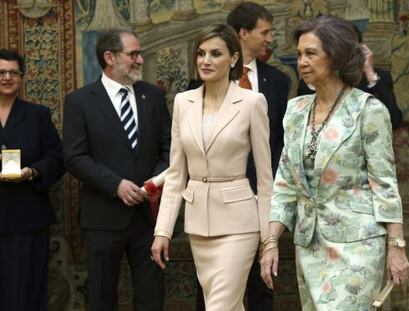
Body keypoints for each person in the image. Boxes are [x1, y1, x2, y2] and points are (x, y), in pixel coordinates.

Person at [260, 15, 409, 310]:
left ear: (337, 55)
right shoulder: (295, 111)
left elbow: (385, 183)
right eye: (300, 53)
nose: (301, 61)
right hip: (309, 244)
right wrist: (271, 241)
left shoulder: (368, 110)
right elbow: (285, 182)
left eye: (311, 53)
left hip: (357, 245)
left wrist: (396, 248)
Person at [151, 24, 273, 311]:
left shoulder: (252, 103)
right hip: (198, 224)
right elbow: (177, 173)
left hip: (239, 223)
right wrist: (163, 231)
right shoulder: (183, 102)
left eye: (215, 53)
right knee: (228, 306)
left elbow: (266, 180)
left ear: (233, 59)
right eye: (201, 53)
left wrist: (268, 239)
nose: (205, 60)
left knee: (218, 307)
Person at [189, 3, 290, 309]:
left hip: (257, 203)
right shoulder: (197, 88)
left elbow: (278, 144)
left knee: (262, 288)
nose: (270, 38)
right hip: (210, 210)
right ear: (243, 34)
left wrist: (269, 199)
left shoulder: (279, 81)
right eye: (265, 32)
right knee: (214, 295)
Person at [63, 28, 171, 311]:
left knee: (151, 298)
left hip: (148, 218)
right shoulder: (80, 101)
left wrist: (155, 182)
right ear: (109, 57)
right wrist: (116, 185)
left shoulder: (153, 96)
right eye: (133, 54)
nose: (140, 60)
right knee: (101, 298)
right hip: (102, 217)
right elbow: (74, 157)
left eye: (140, 53)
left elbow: (169, 148)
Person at [0, 49, 64, 311]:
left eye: (13, 72)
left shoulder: (38, 114)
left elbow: (57, 157)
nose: (7, 77)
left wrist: (33, 172)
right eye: (1, 72)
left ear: (22, 77)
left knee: (26, 293)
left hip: (27, 217)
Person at [297, 25, 402, 130]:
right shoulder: (310, 82)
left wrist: (370, 74)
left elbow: (393, 121)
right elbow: (300, 124)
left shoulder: (376, 77)